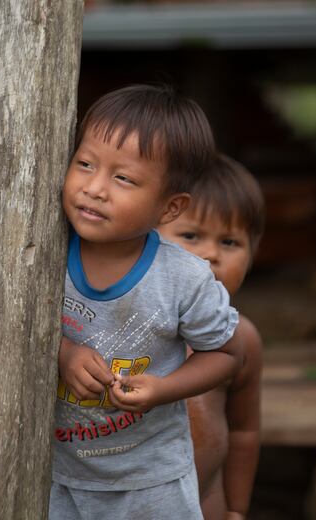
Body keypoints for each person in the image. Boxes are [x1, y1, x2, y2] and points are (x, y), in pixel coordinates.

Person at [52, 84, 243, 520]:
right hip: (55, 474)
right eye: (85, 164)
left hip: (151, 482)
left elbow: (229, 353)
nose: (95, 188)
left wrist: (164, 388)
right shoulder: (43, 252)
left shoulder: (184, 279)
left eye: (124, 178)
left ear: (169, 208)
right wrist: (62, 353)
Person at [158, 155, 264, 520]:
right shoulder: (131, 326)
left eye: (230, 242)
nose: (210, 255)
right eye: (191, 236)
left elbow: (244, 431)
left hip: (206, 505)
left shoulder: (243, 339)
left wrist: (236, 508)